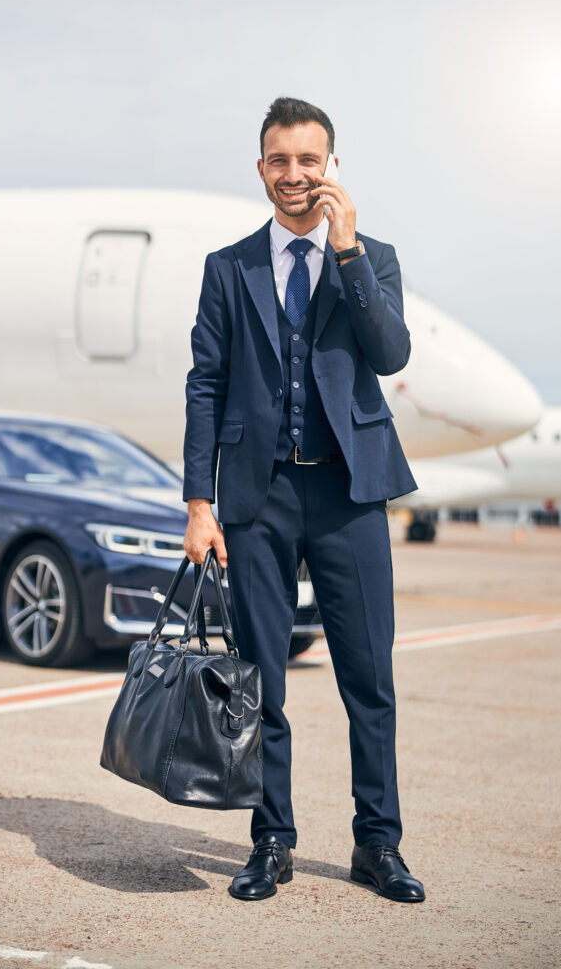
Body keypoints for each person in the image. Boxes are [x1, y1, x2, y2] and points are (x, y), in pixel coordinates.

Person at [182, 97, 424, 903]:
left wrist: (347, 253)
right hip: (259, 494)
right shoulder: (229, 267)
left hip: (351, 491)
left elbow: (389, 354)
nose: (294, 175)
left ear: (330, 167)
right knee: (262, 683)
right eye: (279, 161)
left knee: (368, 680)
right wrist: (198, 502)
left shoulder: (373, 255)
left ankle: (377, 845)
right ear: (261, 170)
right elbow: (206, 386)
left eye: (308, 160)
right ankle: (270, 841)